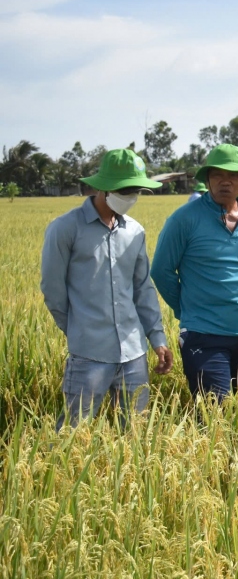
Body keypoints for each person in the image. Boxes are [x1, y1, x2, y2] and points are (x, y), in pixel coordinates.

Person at [40, 147, 173, 429]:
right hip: (89, 355)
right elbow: (53, 291)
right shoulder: (65, 229)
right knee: (74, 432)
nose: (132, 196)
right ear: (104, 188)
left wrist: (157, 338)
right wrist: (78, 328)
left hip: (133, 353)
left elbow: (142, 288)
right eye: (126, 189)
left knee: (135, 432)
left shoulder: (134, 232)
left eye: (136, 189)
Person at [150, 144, 238, 404]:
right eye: (218, 175)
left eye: (234, 176)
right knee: (213, 415)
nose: (225, 182)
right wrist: (187, 308)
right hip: (204, 334)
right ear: (207, 179)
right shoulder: (184, 219)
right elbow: (161, 271)